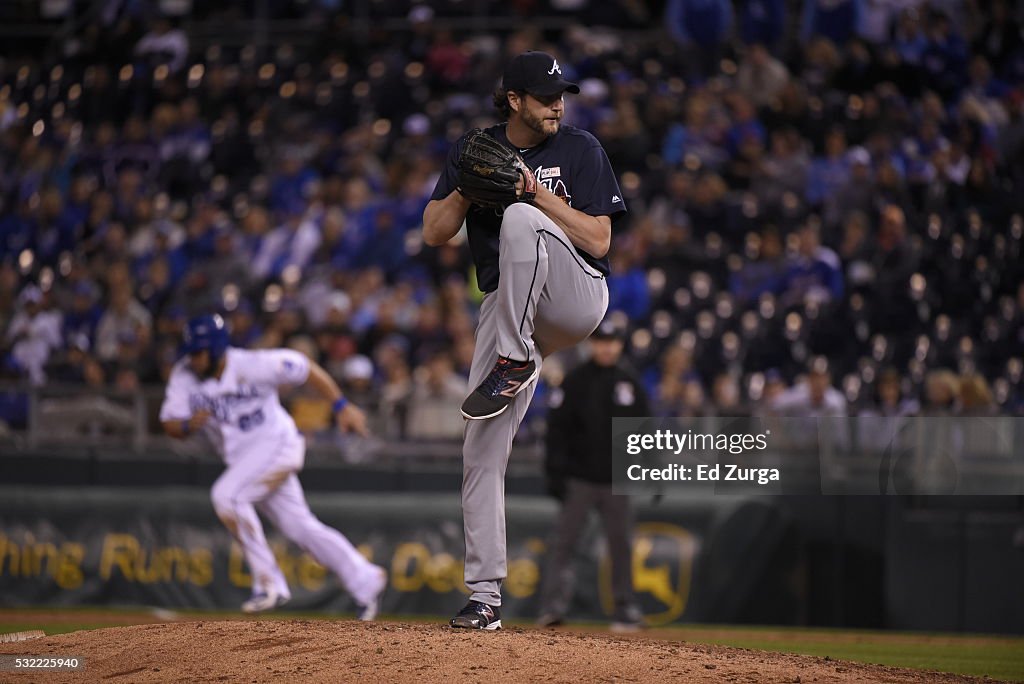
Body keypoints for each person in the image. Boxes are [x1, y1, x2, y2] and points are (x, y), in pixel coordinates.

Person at [422, 51, 625, 630]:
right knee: (480, 450)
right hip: (508, 303)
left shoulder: (580, 148)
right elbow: (435, 232)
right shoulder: (474, 148)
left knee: (517, 218)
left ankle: (516, 358)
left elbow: (601, 240)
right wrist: (467, 185)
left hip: (575, 294)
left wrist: (534, 193)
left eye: (561, 93)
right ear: (514, 99)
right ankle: (484, 597)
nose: (557, 103)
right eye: (544, 95)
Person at [159, 314, 387, 617]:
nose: (194, 360)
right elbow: (169, 423)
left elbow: (306, 369)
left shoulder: (253, 365)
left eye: (199, 353)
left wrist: (341, 406)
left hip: (279, 446)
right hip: (247, 462)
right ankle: (366, 579)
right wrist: (187, 424)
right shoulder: (185, 375)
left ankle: (269, 583)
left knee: (227, 496)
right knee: (301, 527)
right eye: (191, 353)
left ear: (215, 349)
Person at [538, 319, 649, 631]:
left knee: (622, 546)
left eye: (612, 341)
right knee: (564, 544)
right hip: (580, 478)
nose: (606, 347)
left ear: (620, 345)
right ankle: (552, 609)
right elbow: (556, 433)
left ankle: (626, 609)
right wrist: (555, 473)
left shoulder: (629, 382)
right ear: (591, 344)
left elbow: (644, 431)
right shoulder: (574, 382)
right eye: (601, 341)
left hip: (616, 479)